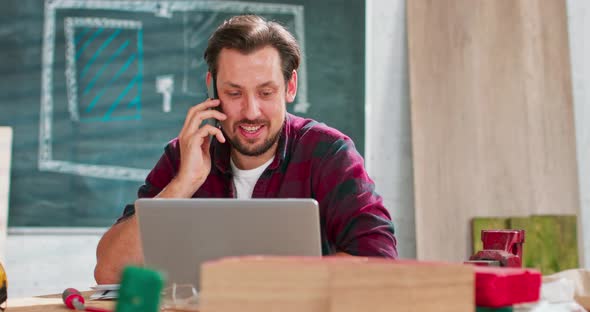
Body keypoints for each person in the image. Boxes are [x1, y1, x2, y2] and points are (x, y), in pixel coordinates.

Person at [94, 14, 397, 284]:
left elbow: (380, 263)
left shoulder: (328, 153)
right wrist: (182, 185)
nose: (251, 111)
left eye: (266, 92)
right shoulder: (185, 155)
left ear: (290, 86)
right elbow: (109, 271)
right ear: (212, 87)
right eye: (234, 92)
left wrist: (261, 283)